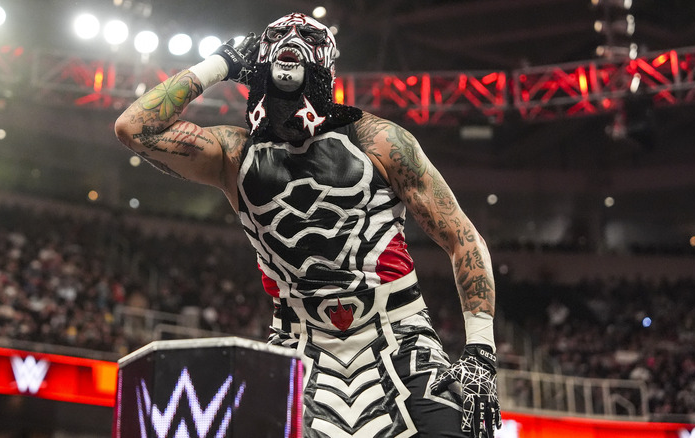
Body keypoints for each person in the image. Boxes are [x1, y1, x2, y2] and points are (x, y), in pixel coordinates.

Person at [114, 12, 501, 438]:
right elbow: (134, 128)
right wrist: (220, 62)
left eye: (308, 36)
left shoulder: (381, 141)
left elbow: (462, 238)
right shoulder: (234, 152)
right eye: (278, 35)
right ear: (257, 59)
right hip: (297, 342)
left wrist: (481, 351)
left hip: (401, 335)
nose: (292, 39)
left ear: (326, 63)